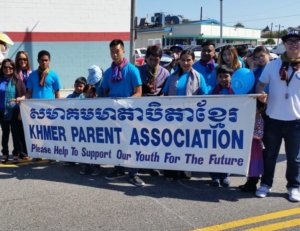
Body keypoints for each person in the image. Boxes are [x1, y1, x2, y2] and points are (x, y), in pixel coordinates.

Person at [255, 30, 300, 202]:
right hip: (273, 118)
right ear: (284, 44)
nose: (294, 44)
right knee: (270, 155)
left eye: (297, 41)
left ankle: (293, 186)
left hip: (296, 121)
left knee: (294, 158)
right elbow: (261, 84)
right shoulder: (273, 65)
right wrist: (260, 94)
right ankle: (266, 184)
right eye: (290, 41)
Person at [102, 39, 145, 187]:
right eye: (112, 52)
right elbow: (104, 91)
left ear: (123, 51)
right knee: (117, 143)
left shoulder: (132, 70)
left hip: (130, 114)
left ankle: (133, 173)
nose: (114, 54)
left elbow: (139, 92)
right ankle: (118, 169)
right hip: (113, 115)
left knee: (132, 143)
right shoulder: (108, 73)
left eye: (117, 51)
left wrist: (123, 103)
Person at [162, 49, 208, 181]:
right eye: (183, 60)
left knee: (186, 145)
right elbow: (164, 95)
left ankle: (184, 170)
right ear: (179, 61)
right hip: (172, 116)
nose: (185, 62)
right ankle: (170, 171)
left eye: (188, 60)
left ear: (193, 60)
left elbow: (204, 98)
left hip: (190, 117)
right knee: (171, 144)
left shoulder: (199, 77)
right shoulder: (172, 76)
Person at [137, 45, 170, 176]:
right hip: (141, 109)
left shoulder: (165, 73)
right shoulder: (138, 71)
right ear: (146, 59)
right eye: (151, 59)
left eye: (156, 60)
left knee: (156, 138)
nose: (153, 62)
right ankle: (141, 163)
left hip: (158, 111)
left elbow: (166, 92)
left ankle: (154, 164)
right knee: (141, 137)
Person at [209, 65, 234, 187]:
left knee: (228, 151)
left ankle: (225, 175)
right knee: (214, 151)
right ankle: (214, 177)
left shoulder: (237, 91)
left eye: (226, 76)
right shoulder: (212, 92)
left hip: (230, 127)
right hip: (214, 127)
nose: (224, 79)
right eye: (220, 77)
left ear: (231, 77)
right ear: (217, 78)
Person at [0, 59, 26, 163]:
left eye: (10, 67)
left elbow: (24, 95)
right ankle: (5, 153)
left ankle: (16, 153)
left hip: (15, 111)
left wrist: (19, 100)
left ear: (13, 69)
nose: (8, 69)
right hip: (2, 111)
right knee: (5, 133)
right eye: (5, 67)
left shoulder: (18, 81)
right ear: (2, 68)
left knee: (15, 134)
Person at [239, 100, 264, 192]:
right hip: (248, 145)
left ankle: (252, 184)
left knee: (253, 165)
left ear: (260, 110)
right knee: (248, 165)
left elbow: (259, 134)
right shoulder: (249, 118)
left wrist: (248, 133)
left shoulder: (259, 119)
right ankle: (248, 182)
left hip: (255, 146)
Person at [78, 84, 101, 175]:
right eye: (87, 93)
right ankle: (85, 166)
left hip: (95, 130)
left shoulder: (99, 101)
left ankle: (96, 167)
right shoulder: (79, 102)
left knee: (96, 148)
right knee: (84, 147)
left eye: (91, 92)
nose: (89, 95)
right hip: (84, 129)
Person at [14, 51, 32, 160]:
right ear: (17, 60)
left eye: (24, 59)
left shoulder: (31, 73)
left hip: (29, 105)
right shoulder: (14, 73)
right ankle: (22, 152)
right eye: (20, 59)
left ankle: (30, 151)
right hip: (17, 104)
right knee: (19, 130)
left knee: (29, 129)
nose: (22, 61)